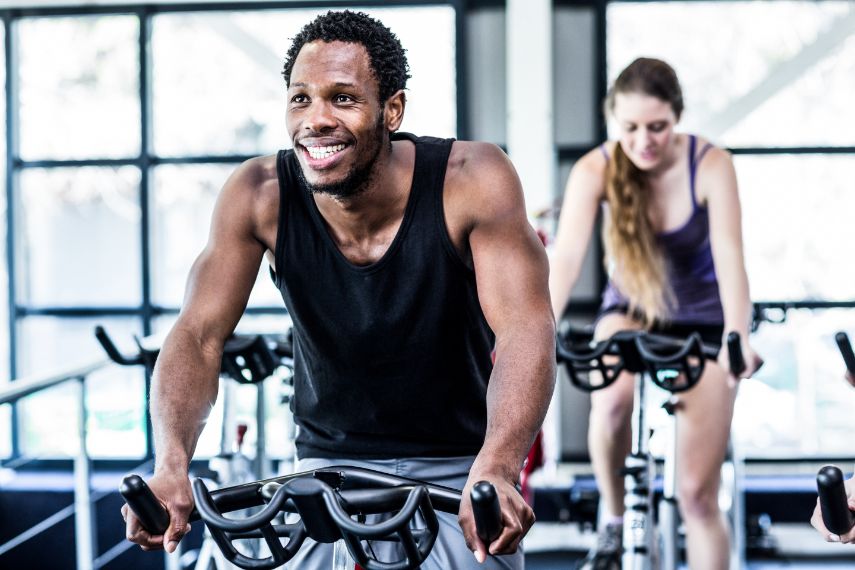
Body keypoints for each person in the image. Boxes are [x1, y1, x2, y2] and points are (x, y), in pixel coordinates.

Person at [120, 10, 556, 569]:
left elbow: (525, 328)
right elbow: (199, 335)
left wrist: (499, 464)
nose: (315, 119)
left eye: (343, 98)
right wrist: (172, 463)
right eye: (301, 99)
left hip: (457, 468)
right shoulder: (260, 193)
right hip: (321, 471)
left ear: (391, 110)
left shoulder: (471, 179)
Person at [549, 57, 762, 570]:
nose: (644, 140)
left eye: (658, 127)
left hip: (705, 323)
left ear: (678, 118)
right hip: (633, 311)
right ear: (612, 122)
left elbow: (732, 258)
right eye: (630, 128)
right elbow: (567, 259)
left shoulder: (710, 164)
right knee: (613, 401)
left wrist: (738, 336)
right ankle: (614, 521)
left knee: (695, 496)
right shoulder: (595, 168)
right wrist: (532, 333)